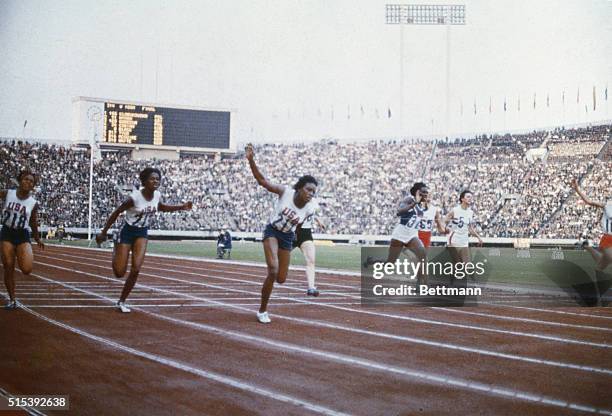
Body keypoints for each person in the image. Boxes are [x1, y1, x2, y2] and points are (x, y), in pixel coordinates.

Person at [95, 167, 193, 313]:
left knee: (136, 269)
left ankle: (122, 301)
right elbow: (117, 212)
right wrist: (104, 232)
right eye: (152, 179)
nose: (156, 181)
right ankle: (116, 246)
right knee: (119, 273)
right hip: (127, 231)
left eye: (158, 179)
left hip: (142, 232)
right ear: (144, 181)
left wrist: (181, 207)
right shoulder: (134, 198)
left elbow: (161, 208)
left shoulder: (157, 195)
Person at [245, 144, 318, 324]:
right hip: (272, 231)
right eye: (308, 189)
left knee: (281, 279)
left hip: (287, 237)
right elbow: (262, 181)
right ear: (300, 188)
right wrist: (251, 160)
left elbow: (299, 227)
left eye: (314, 192)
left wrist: (296, 242)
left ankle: (270, 284)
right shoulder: (285, 192)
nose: (311, 194)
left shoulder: (310, 208)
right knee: (273, 270)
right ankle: (262, 310)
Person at [365, 182, 428, 285]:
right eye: (424, 192)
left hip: (412, 235)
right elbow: (399, 212)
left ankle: (419, 283)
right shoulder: (409, 200)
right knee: (390, 263)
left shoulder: (423, 204)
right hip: (400, 234)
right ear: (417, 192)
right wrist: (414, 203)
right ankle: (371, 261)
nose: (426, 194)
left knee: (422, 254)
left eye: (427, 192)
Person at [1, 170, 45, 310]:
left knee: (26, 269)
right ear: (20, 181)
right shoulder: (8, 193)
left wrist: (37, 238)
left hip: (22, 234)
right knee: (8, 265)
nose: (28, 182)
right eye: (26, 179)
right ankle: (12, 299)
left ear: (33, 186)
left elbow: (33, 222)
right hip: (7, 232)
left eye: (31, 181)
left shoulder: (33, 203)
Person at [571, 178, 611, 271]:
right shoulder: (607, 205)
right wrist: (577, 189)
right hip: (608, 238)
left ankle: (587, 247)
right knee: (608, 259)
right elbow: (588, 201)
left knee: (601, 265)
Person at [444, 189, 483, 281]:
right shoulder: (455, 210)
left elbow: (470, 228)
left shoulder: (470, 212)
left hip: (464, 240)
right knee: (457, 263)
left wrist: (479, 238)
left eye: (471, 197)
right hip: (454, 239)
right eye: (468, 197)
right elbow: (444, 220)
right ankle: (451, 283)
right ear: (462, 199)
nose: (470, 198)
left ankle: (475, 283)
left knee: (467, 264)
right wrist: (447, 227)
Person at [294, 204, 326, 296]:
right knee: (279, 259)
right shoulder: (294, 197)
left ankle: (311, 287)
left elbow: (310, 213)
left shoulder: (312, 200)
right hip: (291, 232)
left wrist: (317, 220)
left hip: (305, 233)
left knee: (311, 260)